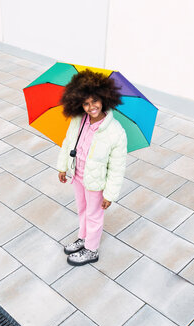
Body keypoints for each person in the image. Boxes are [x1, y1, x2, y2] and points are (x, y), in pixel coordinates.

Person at [57, 70, 127, 266]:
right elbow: (68, 142)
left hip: (96, 182)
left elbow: (117, 167)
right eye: (86, 103)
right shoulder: (78, 120)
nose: (91, 107)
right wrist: (63, 167)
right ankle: (83, 237)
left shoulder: (116, 132)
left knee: (94, 214)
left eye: (95, 101)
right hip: (78, 174)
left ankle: (91, 249)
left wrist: (110, 194)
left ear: (104, 99)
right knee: (82, 208)